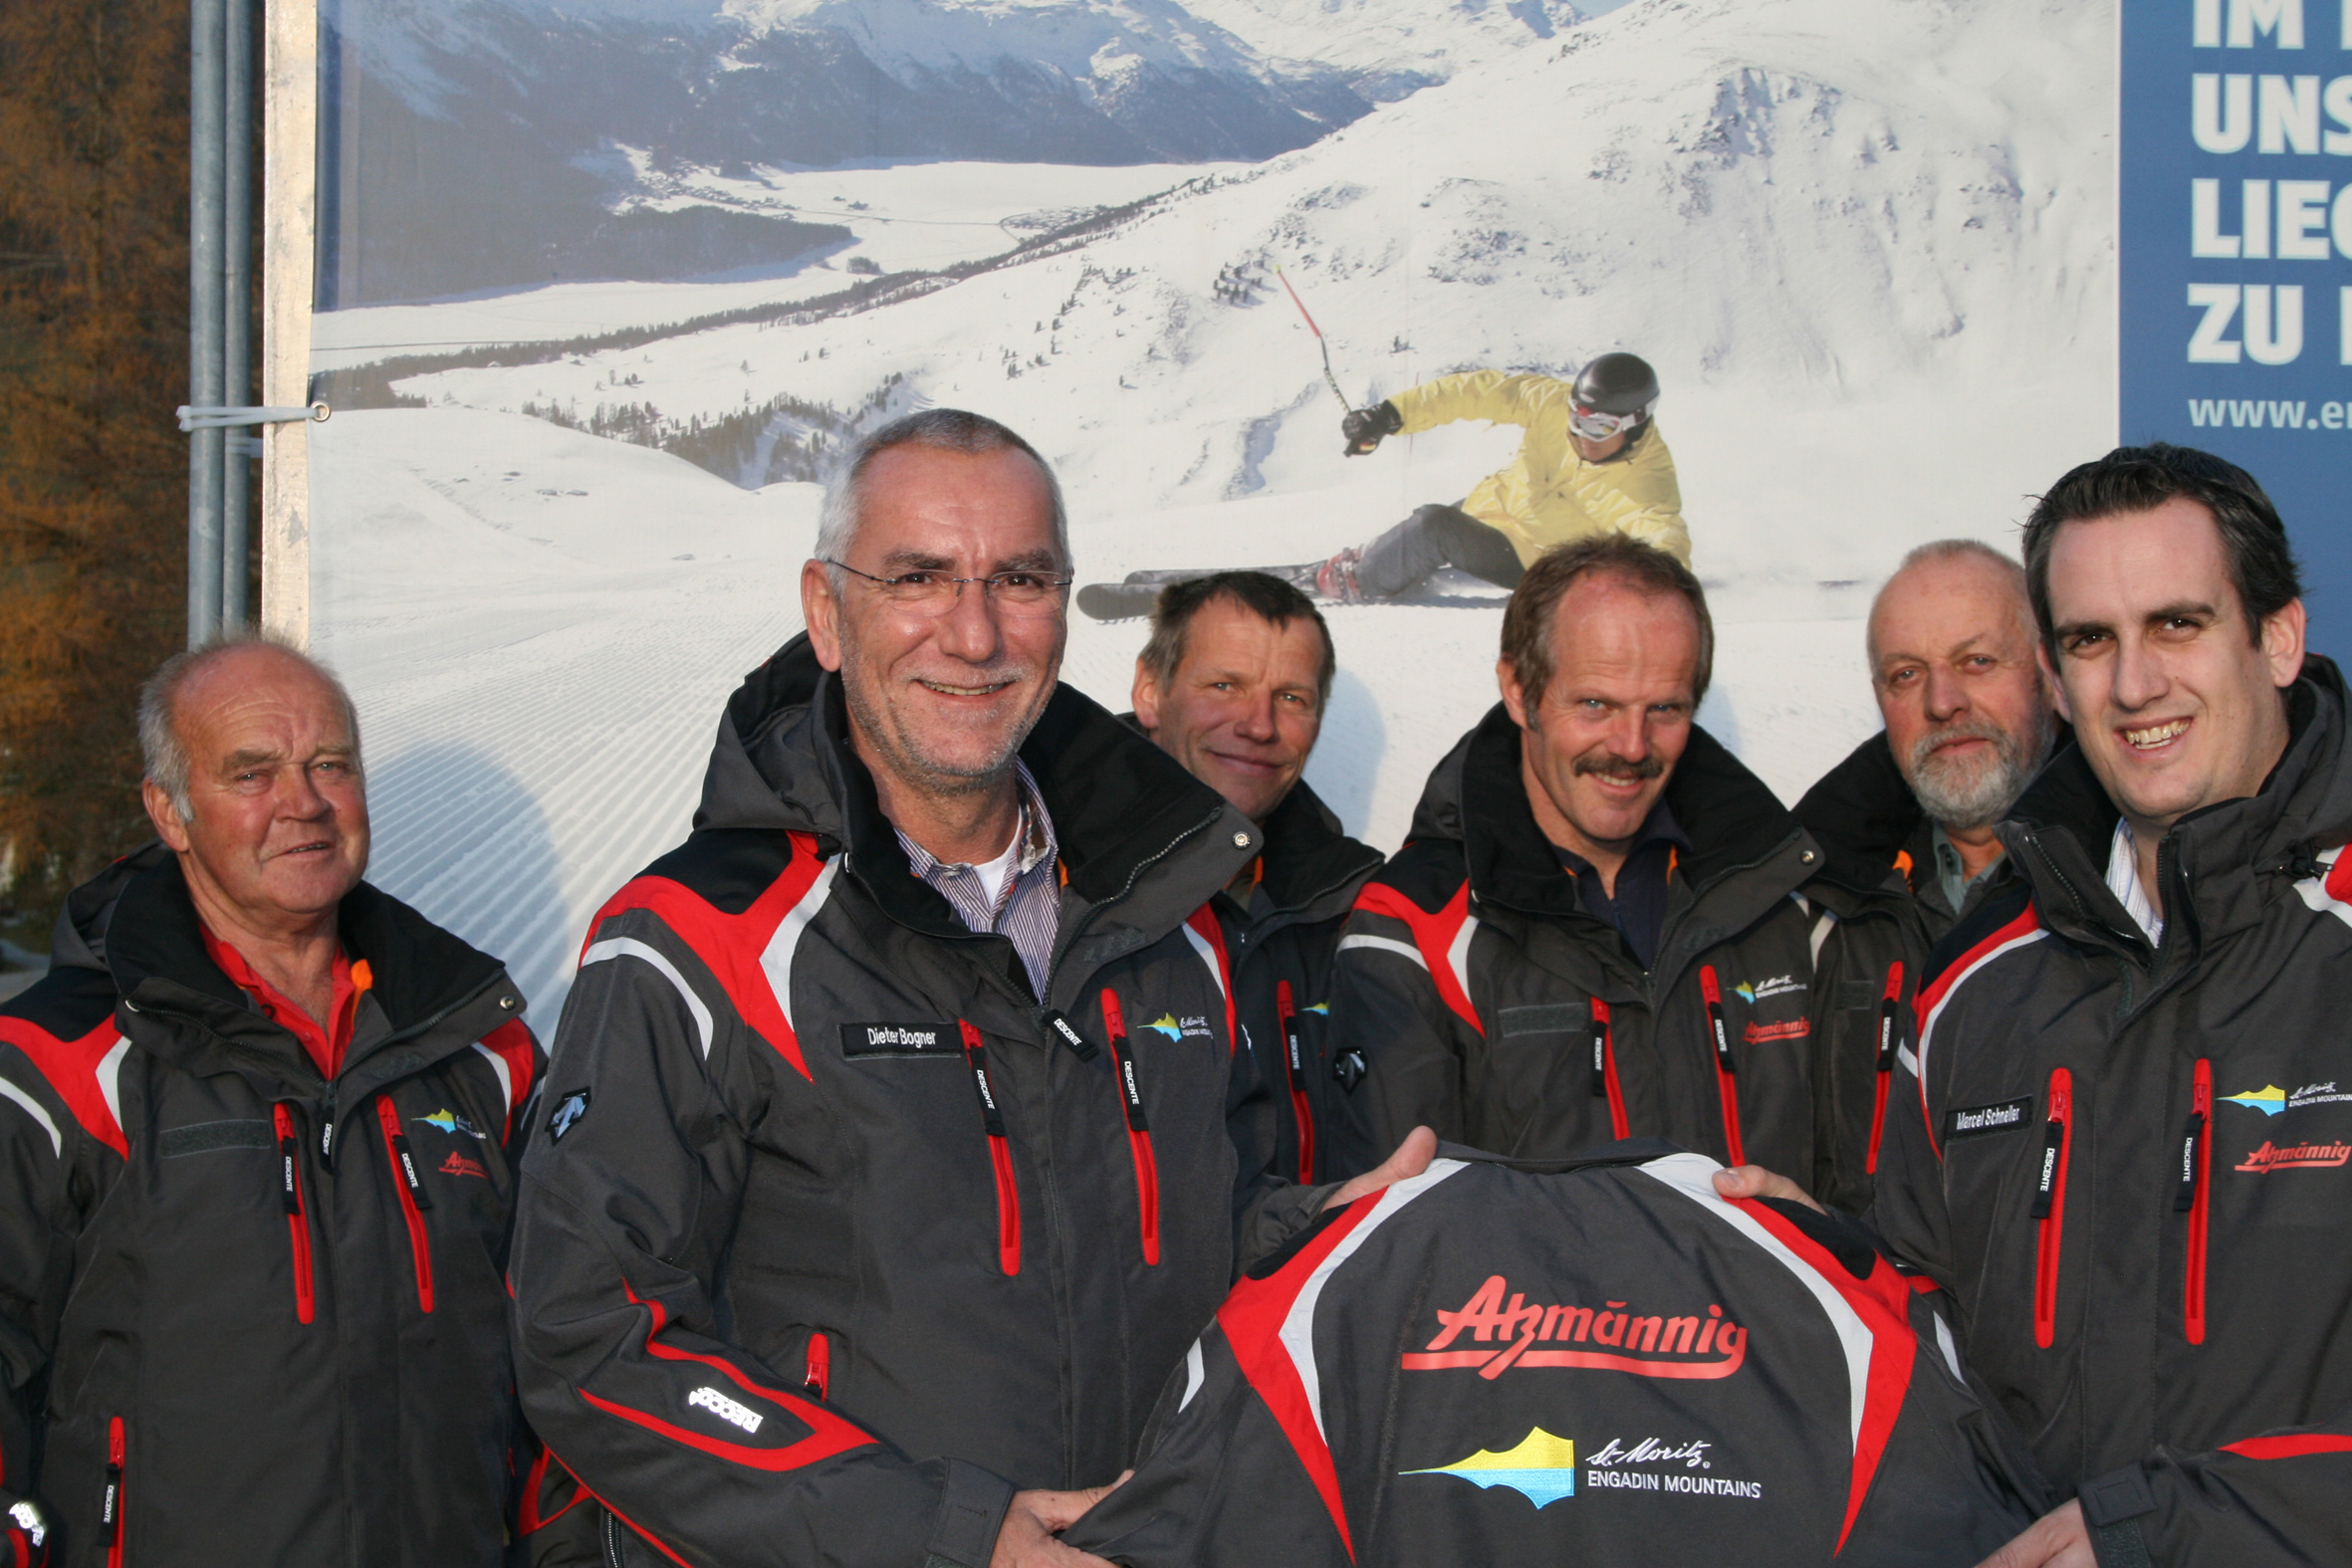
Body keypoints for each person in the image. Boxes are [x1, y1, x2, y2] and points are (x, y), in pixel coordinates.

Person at [507, 410, 1432, 1568]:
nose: (976, 630)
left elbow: (1206, 1227)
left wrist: (1330, 1233)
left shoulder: (1173, 920)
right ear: (825, 612)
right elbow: (589, 1338)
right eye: (919, 576)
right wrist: (930, 1534)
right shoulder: (702, 942)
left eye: (1021, 579)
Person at [1735, 445, 2352, 1566]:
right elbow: (1934, 1336)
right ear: (2058, 681)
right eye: (2089, 640)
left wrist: (2179, 1531)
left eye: (2176, 624)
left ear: (2275, 637)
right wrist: (1813, 1275)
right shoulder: (1975, 986)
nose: (2133, 685)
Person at [0, 635, 545, 1567]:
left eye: (330, 764)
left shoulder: (479, 1048)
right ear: (168, 812)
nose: (303, 802)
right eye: (251, 773)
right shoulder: (61, 1061)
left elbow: (560, 1343)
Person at [1323, 535, 1908, 1182]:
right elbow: (1402, 1246)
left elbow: (1870, 1218)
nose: (1631, 746)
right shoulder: (1414, 927)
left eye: (1664, 708)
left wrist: (1812, 1235)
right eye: (1596, 703)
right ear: (1519, 690)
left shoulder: (1792, 902)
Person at [1794, 541, 2059, 1210]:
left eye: (1977, 661)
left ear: (2049, 674)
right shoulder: (1814, 909)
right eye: (1907, 675)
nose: (1944, 701)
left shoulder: (2137, 882)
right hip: (1877, 1307)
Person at [1131, 571, 1382, 1183]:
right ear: (1150, 690)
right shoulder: (1041, 879)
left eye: (1292, 698)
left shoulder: (1360, 908)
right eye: (1225, 685)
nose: (1259, 725)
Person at [1311, 352, 1688, 603]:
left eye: (1600, 426)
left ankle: (1360, 581)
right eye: (1577, 417)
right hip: (1493, 506)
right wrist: (1389, 415)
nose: (1582, 435)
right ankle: (1382, 556)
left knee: (1434, 525)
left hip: (1535, 560)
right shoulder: (1548, 403)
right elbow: (1476, 392)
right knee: (1441, 518)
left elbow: (1660, 532)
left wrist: (1659, 584)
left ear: (1635, 423)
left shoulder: (1645, 478)